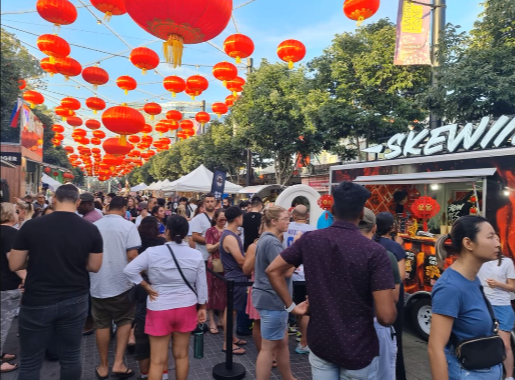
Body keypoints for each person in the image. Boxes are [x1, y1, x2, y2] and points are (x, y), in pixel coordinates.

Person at [266, 181, 397, 379]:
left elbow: (273, 270)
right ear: (361, 213)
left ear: (333, 210)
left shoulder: (311, 240)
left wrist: (291, 307)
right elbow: (386, 317)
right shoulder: (375, 252)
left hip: (321, 342)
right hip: (358, 347)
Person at [8, 184, 103, 380]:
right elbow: (94, 266)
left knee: (31, 361)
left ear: (53, 199)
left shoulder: (32, 226)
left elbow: (15, 264)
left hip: (37, 299)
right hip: (75, 298)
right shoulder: (91, 229)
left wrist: (35, 258)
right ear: (77, 202)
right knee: (70, 356)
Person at [124, 215, 208, 380]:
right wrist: (202, 307)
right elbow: (202, 285)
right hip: (186, 306)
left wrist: (146, 286)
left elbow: (129, 270)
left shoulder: (153, 252)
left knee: (157, 361)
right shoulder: (195, 255)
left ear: (167, 231)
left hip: (159, 306)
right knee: (182, 356)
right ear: (185, 234)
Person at [429, 215, 503, 380]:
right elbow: (435, 348)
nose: (497, 243)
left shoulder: (472, 279)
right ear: (468, 243)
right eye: (490, 237)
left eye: (496, 237)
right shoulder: (450, 287)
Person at [92, 196, 141, 380]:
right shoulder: (128, 226)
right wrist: (141, 278)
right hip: (122, 284)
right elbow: (133, 255)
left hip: (97, 283)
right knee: (124, 321)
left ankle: (103, 366)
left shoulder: (95, 225)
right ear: (123, 209)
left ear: (107, 207)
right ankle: (118, 363)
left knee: (101, 324)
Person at [253, 206, 298, 380]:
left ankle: (289, 377)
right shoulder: (271, 241)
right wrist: (296, 256)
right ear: (273, 221)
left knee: (281, 343)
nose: (288, 222)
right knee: (269, 347)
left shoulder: (266, 238)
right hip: (274, 299)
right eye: (285, 218)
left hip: (269, 298)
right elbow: (284, 271)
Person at [359, 208, 402, 380]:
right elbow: (394, 298)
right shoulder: (387, 255)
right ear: (374, 228)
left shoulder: (339, 251)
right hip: (377, 324)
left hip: (345, 324)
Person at [133, 216, 167, 380]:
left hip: (142, 290)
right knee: (161, 337)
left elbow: (131, 269)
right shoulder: (161, 245)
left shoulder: (136, 245)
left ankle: (144, 374)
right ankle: (163, 374)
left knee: (143, 335)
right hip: (159, 291)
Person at [374, 211, 407, 380]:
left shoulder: (371, 243)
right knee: (395, 340)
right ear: (392, 227)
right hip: (393, 298)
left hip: (374, 298)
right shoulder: (395, 247)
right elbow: (400, 276)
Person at [282, 204, 316, 355]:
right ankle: (304, 342)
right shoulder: (312, 231)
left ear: (293, 215)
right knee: (305, 309)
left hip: (288, 272)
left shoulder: (285, 228)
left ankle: (295, 330)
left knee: (291, 305)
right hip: (305, 275)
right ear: (307, 215)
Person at [478, 253, 515, 380]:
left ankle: (509, 377)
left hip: (502, 306)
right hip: (483, 304)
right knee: (484, 342)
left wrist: (498, 284)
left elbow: (513, 287)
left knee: (505, 344)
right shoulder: (479, 259)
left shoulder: (507, 262)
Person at [219, 206, 249, 355]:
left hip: (236, 277)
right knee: (231, 311)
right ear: (237, 218)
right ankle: (227, 343)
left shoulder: (231, 234)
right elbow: (241, 261)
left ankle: (231, 338)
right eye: (242, 217)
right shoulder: (230, 237)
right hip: (235, 278)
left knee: (232, 310)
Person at [0, 203, 24, 374]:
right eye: (16, 211)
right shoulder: (11, 234)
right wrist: (26, 278)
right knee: (2, 324)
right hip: (6, 285)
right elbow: (14, 262)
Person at [205, 209, 228, 334]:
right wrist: (221, 242)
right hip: (214, 264)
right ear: (215, 219)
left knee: (223, 292)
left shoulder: (228, 230)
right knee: (212, 291)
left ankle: (220, 318)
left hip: (225, 265)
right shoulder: (211, 231)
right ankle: (211, 321)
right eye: (221, 219)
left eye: (225, 219)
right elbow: (209, 248)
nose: (223, 221)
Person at [190, 193, 216, 261]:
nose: (210, 204)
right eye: (207, 202)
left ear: (215, 202)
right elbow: (195, 237)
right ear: (204, 203)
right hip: (204, 256)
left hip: (218, 257)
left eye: (212, 201)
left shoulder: (220, 217)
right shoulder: (198, 218)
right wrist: (212, 241)